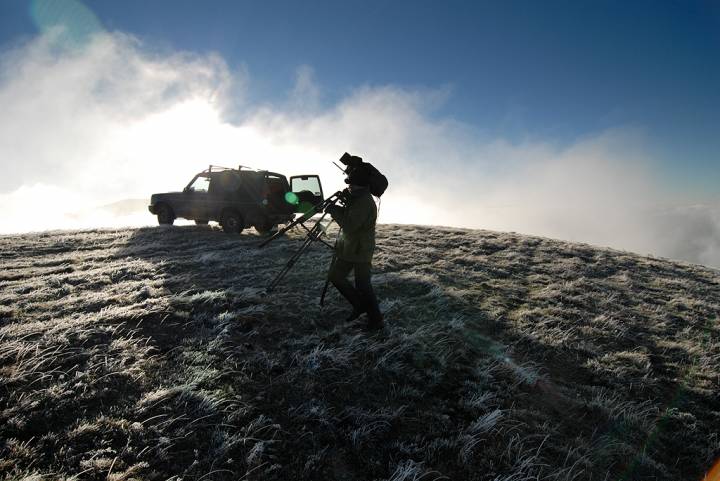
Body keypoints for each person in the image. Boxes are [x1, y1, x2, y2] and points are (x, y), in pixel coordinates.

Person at [324, 165, 384, 330]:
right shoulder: (358, 198)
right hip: (351, 248)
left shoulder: (364, 202)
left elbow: (350, 226)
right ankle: (359, 305)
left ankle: (376, 320)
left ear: (360, 185)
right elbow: (351, 217)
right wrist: (340, 206)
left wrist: (334, 211)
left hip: (360, 251)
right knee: (336, 276)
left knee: (363, 285)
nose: (348, 186)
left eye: (351, 184)